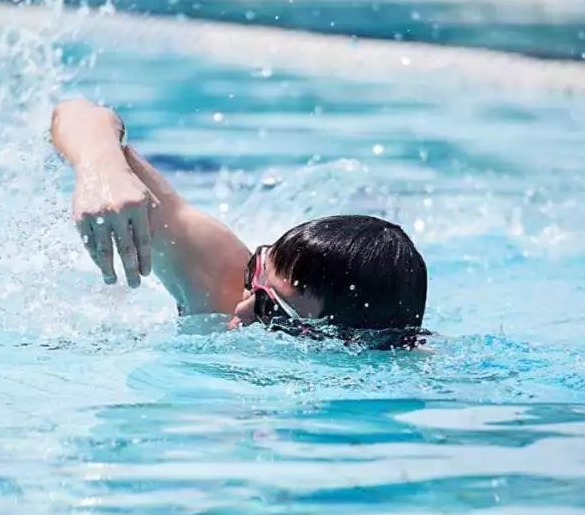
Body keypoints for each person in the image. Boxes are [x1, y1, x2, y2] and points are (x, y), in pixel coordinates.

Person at [51, 99, 428, 349]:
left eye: (270, 310)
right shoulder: (224, 284)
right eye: (256, 272)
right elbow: (77, 113)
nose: (242, 308)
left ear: (342, 342)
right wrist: (101, 166)